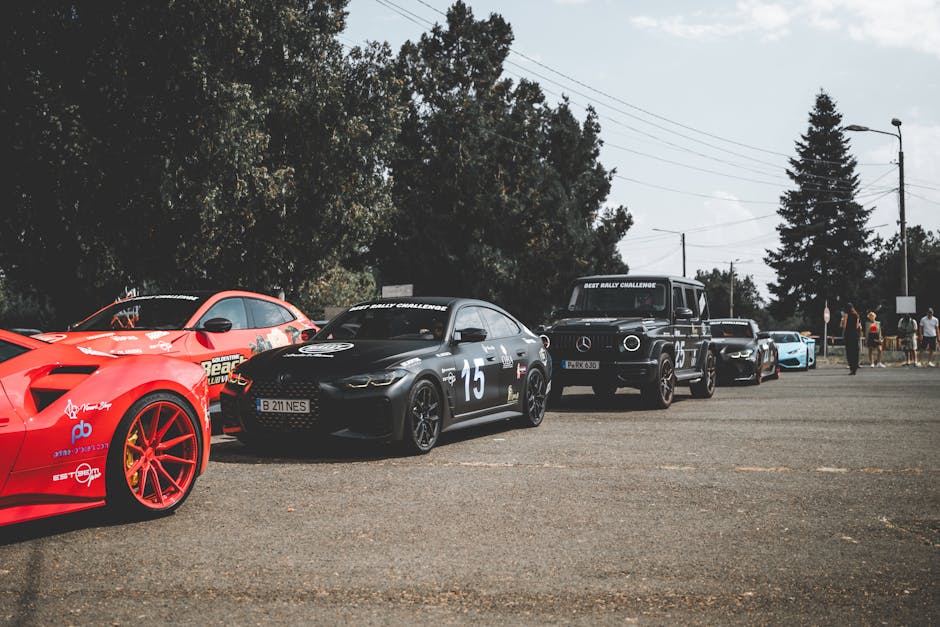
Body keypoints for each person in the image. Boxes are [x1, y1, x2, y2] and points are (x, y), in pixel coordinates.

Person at [841, 302, 861, 375]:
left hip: (848, 334)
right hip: (855, 334)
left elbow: (844, 326)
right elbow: (857, 326)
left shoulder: (846, 315)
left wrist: (842, 322)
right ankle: (855, 367)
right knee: (855, 351)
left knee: (849, 351)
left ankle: (851, 367)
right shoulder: (856, 315)